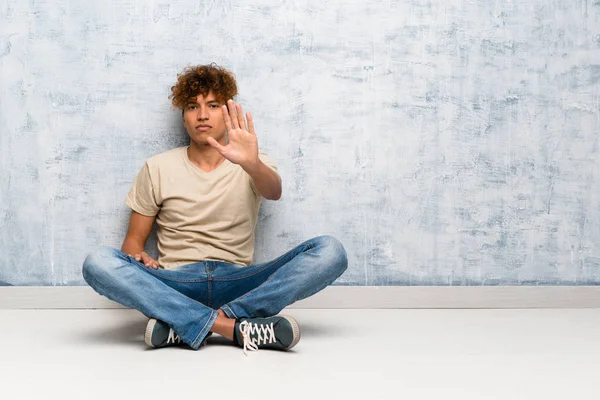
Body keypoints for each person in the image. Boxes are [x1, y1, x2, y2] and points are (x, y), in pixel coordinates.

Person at [82, 63, 348, 354]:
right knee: (98, 262)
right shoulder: (157, 167)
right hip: (176, 282)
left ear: (227, 111)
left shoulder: (251, 161)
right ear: (184, 118)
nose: (203, 114)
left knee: (331, 251)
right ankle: (232, 328)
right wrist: (138, 256)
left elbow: (274, 191)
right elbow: (133, 241)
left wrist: (251, 163)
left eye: (212, 105)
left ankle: (185, 324)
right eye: (193, 107)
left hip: (240, 281)